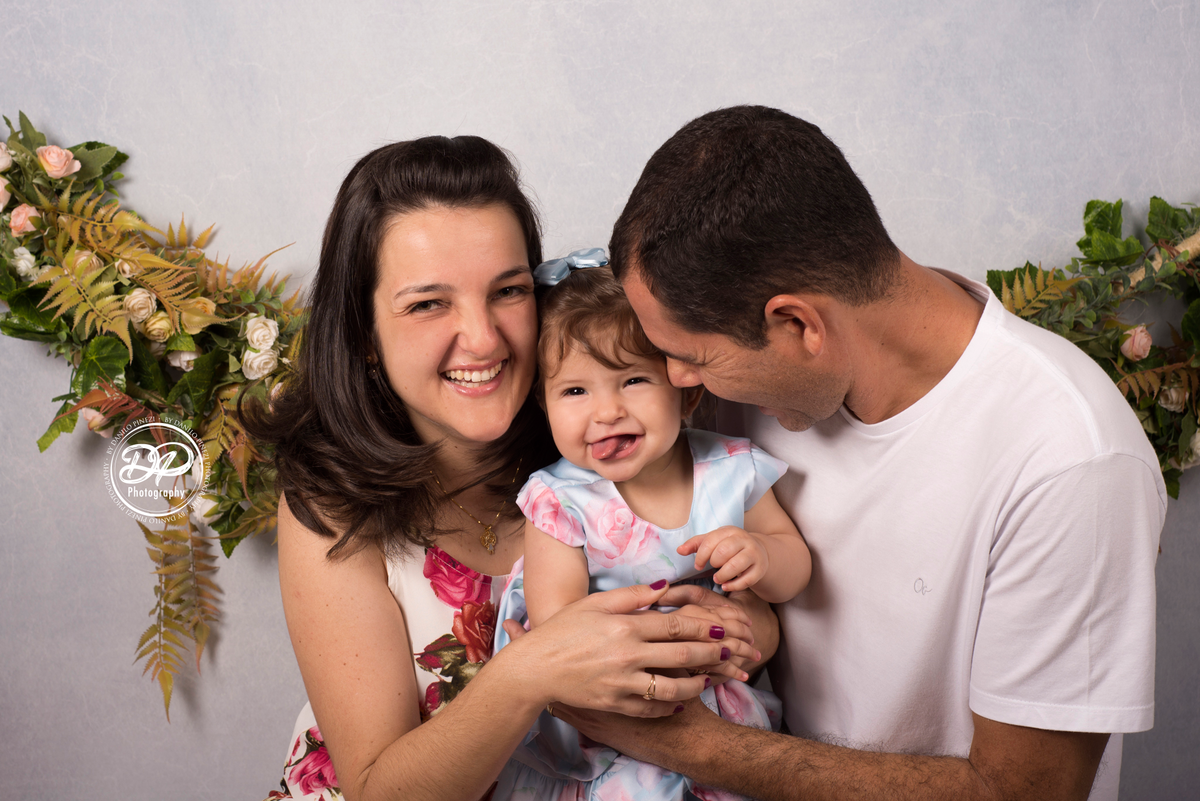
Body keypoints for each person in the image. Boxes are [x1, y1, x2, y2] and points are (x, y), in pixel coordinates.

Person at [552, 105, 1166, 801]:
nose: (675, 383)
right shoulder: (750, 382)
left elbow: (1022, 791)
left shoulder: (1069, 459)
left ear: (797, 325)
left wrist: (689, 743)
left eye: (690, 359)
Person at [247, 135, 767, 801]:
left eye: (509, 290)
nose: (485, 337)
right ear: (363, 337)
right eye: (428, 302)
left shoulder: (605, 432)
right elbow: (381, 790)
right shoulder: (331, 503)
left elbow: (747, 601)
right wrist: (531, 669)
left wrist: (733, 631)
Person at [490, 259, 811, 800]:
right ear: (543, 406)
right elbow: (561, 628)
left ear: (686, 392)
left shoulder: (731, 470)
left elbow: (793, 572)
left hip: (713, 700)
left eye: (633, 380)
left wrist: (760, 553)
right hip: (603, 717)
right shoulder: (559, 501)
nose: (606, 411)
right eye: (575, 392)